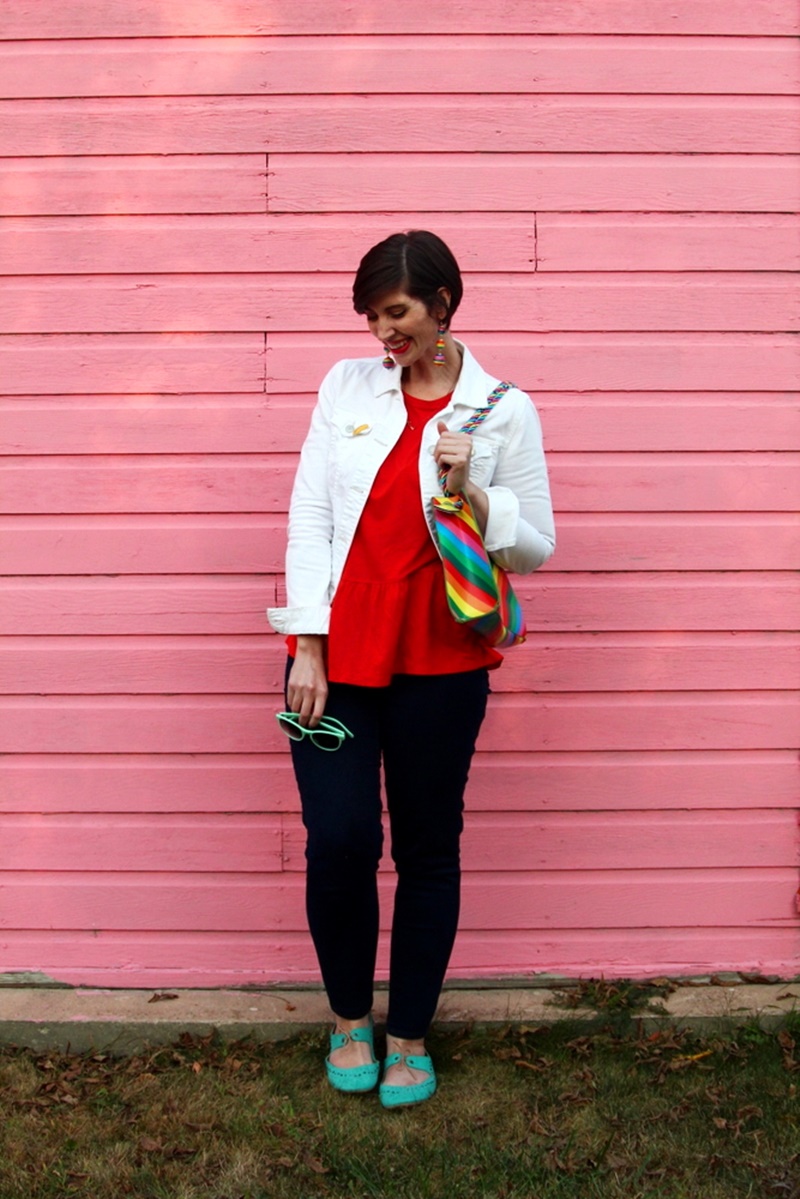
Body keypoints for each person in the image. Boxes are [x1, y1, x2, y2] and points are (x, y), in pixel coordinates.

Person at [267, 230, 555, 1107]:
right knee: (342, 840)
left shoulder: (504, 407)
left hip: (442, 663)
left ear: (442, 304)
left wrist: (476, 493)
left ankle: (409, 1037)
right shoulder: (345, 386)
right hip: (339, 654)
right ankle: (350, 1018)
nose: (381, 333)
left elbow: (536, 545)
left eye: (395, 314)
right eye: (371, 317)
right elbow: (311, 513)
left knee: (430, 849)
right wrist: (306, 643)